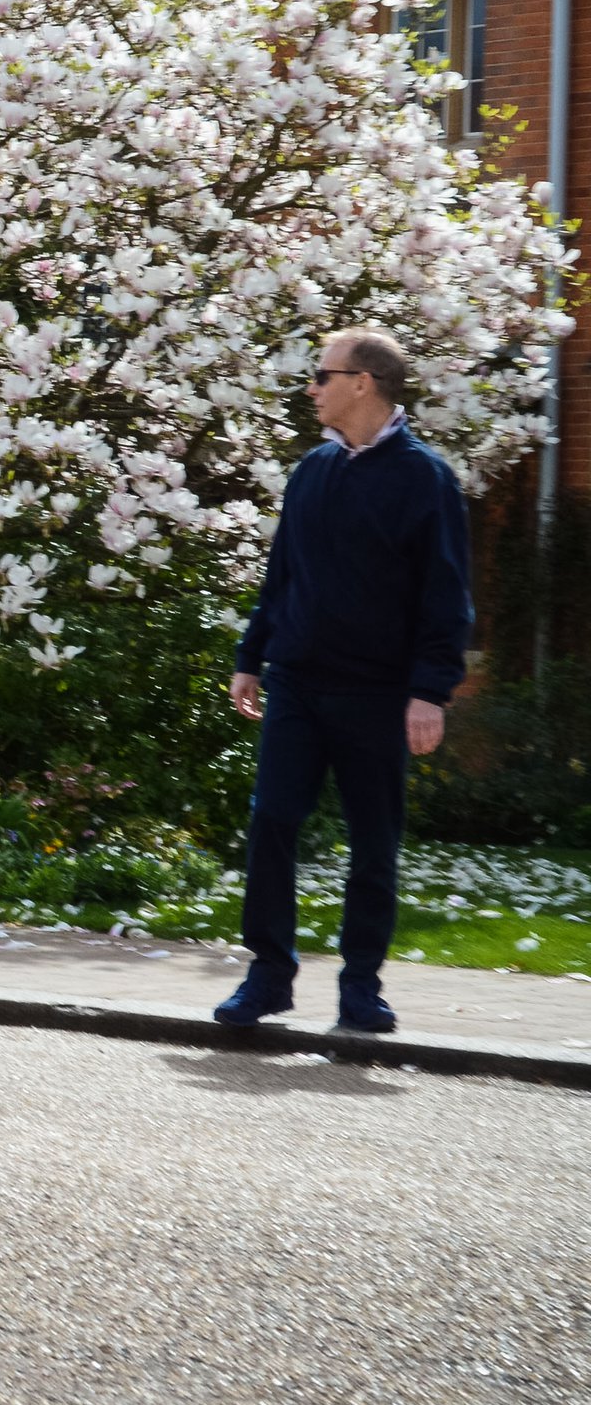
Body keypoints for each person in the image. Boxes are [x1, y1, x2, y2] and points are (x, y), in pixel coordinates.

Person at [215, 327, 472, 1036]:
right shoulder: (312, 472)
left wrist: (431, 690)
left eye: (321, 374)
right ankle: (268, 977)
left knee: (373, 840)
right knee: (272, 823)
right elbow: (281, 576)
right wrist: (251, 655)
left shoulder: (426, 479)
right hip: (298, 682)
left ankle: (361, 987)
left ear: (363, 383)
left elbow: (446, 597)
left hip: (378, 693)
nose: (311, 386)